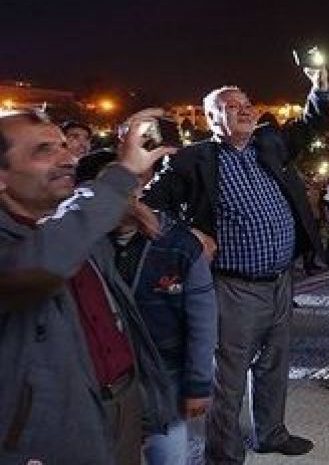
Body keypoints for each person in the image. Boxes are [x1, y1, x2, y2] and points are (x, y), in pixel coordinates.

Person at [142, 67, 329, 463]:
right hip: (234, 288)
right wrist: (188, 234)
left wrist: (319, 88)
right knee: (228, 376)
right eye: (231, 106)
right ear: (212, 118)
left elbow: (310, 123)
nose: (244, 110)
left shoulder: (269, 144)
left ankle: (271, 433)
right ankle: (223, 454)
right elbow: (148, 205)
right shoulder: (194, 159)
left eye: (247, 104)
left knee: (274, 365)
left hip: (281, 280)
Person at [0, 108, 178, 464]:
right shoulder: (41, 240)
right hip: (48, 438)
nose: (68, 159)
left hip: (121, 404)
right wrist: (120, 174)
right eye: (43, 150)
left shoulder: (73, 225)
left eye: (64, 146)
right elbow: (44, 262)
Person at [76, 155, 218, 465]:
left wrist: (198, 384)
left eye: (126, 184)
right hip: (107, 388)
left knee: (170, 456)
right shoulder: (82, 247)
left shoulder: (179, 245)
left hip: (167, 383)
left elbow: (202, 323)